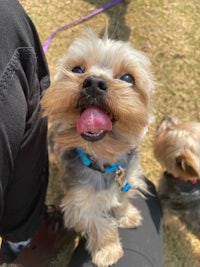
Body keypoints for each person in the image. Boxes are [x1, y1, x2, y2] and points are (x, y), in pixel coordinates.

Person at [0, 1, 163, 266]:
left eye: (127, 78)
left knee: (125, 190)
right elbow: (80, 213)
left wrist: (120, 206)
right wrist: (105, 237)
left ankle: (120, 209)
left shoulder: (131, 160)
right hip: (79, 172)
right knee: (87, 212)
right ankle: (103, 239)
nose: (95, 81)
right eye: (79, 70)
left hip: (121, 166)